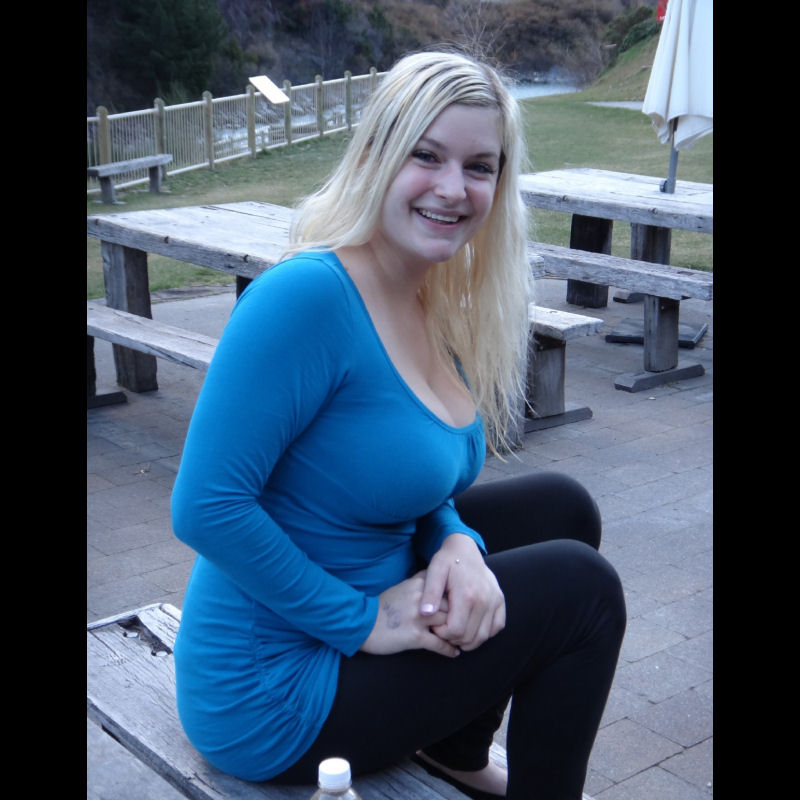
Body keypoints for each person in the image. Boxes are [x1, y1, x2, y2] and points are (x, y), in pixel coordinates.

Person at [171, 48, 626, 800]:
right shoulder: (306, 297)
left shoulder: (427, 298)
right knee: (583, 591)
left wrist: (455, 540)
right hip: (273, 691)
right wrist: (363, 622)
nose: (453, 188)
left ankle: (455, 747)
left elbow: (410, 479)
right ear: (377, 156)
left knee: (562, 509)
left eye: (479, 166)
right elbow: (205, 507)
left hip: (363, 608)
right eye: (427, 156)